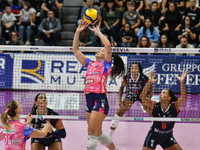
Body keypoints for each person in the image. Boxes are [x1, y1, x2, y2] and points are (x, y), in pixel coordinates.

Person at [73, 20, 125, 150]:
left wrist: (98, 32)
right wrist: (77, 32)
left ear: (106, 55)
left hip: (99, 99)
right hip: (88, 99)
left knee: (91, 135)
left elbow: (107, 45)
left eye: (101, 51)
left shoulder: (106, 64)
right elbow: (75, 50)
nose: (99, 51)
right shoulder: (89, 63)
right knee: (97, 133)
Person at [140, 70, 188, 150]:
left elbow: (183, 97)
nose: (160, 94)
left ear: (169, 98)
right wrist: (149, 83)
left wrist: (182, 82)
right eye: (161, 92)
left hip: (167, 137)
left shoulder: (174, 107)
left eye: (164, 93)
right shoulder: (155, 105)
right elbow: (142, 97)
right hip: (153, 136)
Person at [108, 62, 154, 139]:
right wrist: (120, 100)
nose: (134, 70)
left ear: (139, 70)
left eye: (136, 68)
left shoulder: (143, 77)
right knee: (120, 111)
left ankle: (156, 131)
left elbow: (152, 88)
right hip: (131, 95)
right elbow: (121, 88)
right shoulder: (126, 77)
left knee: (150, 110)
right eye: (132, 68)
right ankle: (109, 136)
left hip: (142, 95)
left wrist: (148, 98)